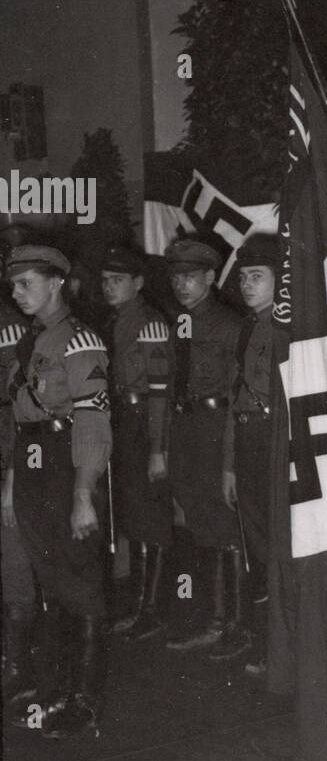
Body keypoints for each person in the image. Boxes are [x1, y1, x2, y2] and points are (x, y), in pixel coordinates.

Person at [2, 244, 112, 738]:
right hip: (32, 469)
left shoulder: (79, 341)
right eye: (14, 283)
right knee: (49, 581)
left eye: (27, 283)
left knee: (81, 582)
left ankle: (84, 699)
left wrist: (84, 493)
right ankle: (52, 685)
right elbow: (21, 422)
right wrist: (10, 486)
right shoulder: (33, 341)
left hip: (67, 467)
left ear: (56, 283)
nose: (17, 292)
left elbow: (93, 419)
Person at [161, 237, 243, 652]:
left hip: (215, 429)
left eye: (190, 277)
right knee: (199, 526)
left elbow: (235, 398)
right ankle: (210, 618)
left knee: (224, 529)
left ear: (211, 278)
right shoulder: (181, 322)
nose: (181, 285)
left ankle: (229, 625)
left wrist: (229, 461)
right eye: (176, 277)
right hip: (188, 430)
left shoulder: (230, 325)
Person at [100, 246, 172, 641]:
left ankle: (152, 609)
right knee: (131, 512)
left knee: (151, 517)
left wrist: (158, 450)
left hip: (146, 424)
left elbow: (160, 392)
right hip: (122, 424)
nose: (109, 288)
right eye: (106, 282)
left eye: (118, 281)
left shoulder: (151, 325)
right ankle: (140, 604)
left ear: (138, 283)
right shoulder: (115, 322)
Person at [220, 233, 280, 673]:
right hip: (247, 441)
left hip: (274, 441)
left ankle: (281, 646)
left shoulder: (288, 330)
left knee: (279, 549)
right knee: (256, 547)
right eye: (242, 277)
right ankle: (265, 641)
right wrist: (228, 466)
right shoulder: (249, 327)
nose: (246, 284)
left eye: (256, 276)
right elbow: (232, 399)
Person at [0, 259, 33, 705]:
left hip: (7, 452)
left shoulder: (11, 329)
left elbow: (15, 410)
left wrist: (10, 477)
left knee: (13, 567)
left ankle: (18, 665)